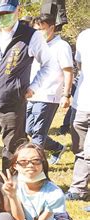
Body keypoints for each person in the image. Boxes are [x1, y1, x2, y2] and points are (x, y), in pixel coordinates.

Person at [0, 0, 51, 172]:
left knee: (12, 149)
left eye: (7, 13)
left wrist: (34, 86)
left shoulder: (31, 36)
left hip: (13, 104)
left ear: (17, 10)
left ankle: (9, 186)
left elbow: (49, 64)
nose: (3, 18)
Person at [4, 143, 79, 220]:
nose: (30, 165)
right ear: (15, 165)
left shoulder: (54, 191)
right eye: (23, 161)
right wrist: (12, 195)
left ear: (42, 164)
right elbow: (20, 219)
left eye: (36, 161)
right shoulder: (12, 184)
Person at [26, 14, 73, 165]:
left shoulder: (61, 46)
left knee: (38, 134)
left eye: (41, 29)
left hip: (48, 96)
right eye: (35, 30)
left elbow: (68, 71)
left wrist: (66, 94)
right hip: (31, 94)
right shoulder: (36, 44)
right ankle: (57, 147)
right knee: (28, 129)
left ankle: (35, 166)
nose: (38, 33)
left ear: (52, 28)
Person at [66, 28, 90, 202]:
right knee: (78, 148)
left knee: (88, 152)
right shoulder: (83, 36)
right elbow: (79, 65)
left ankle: (78, 188)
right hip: (81, 102)